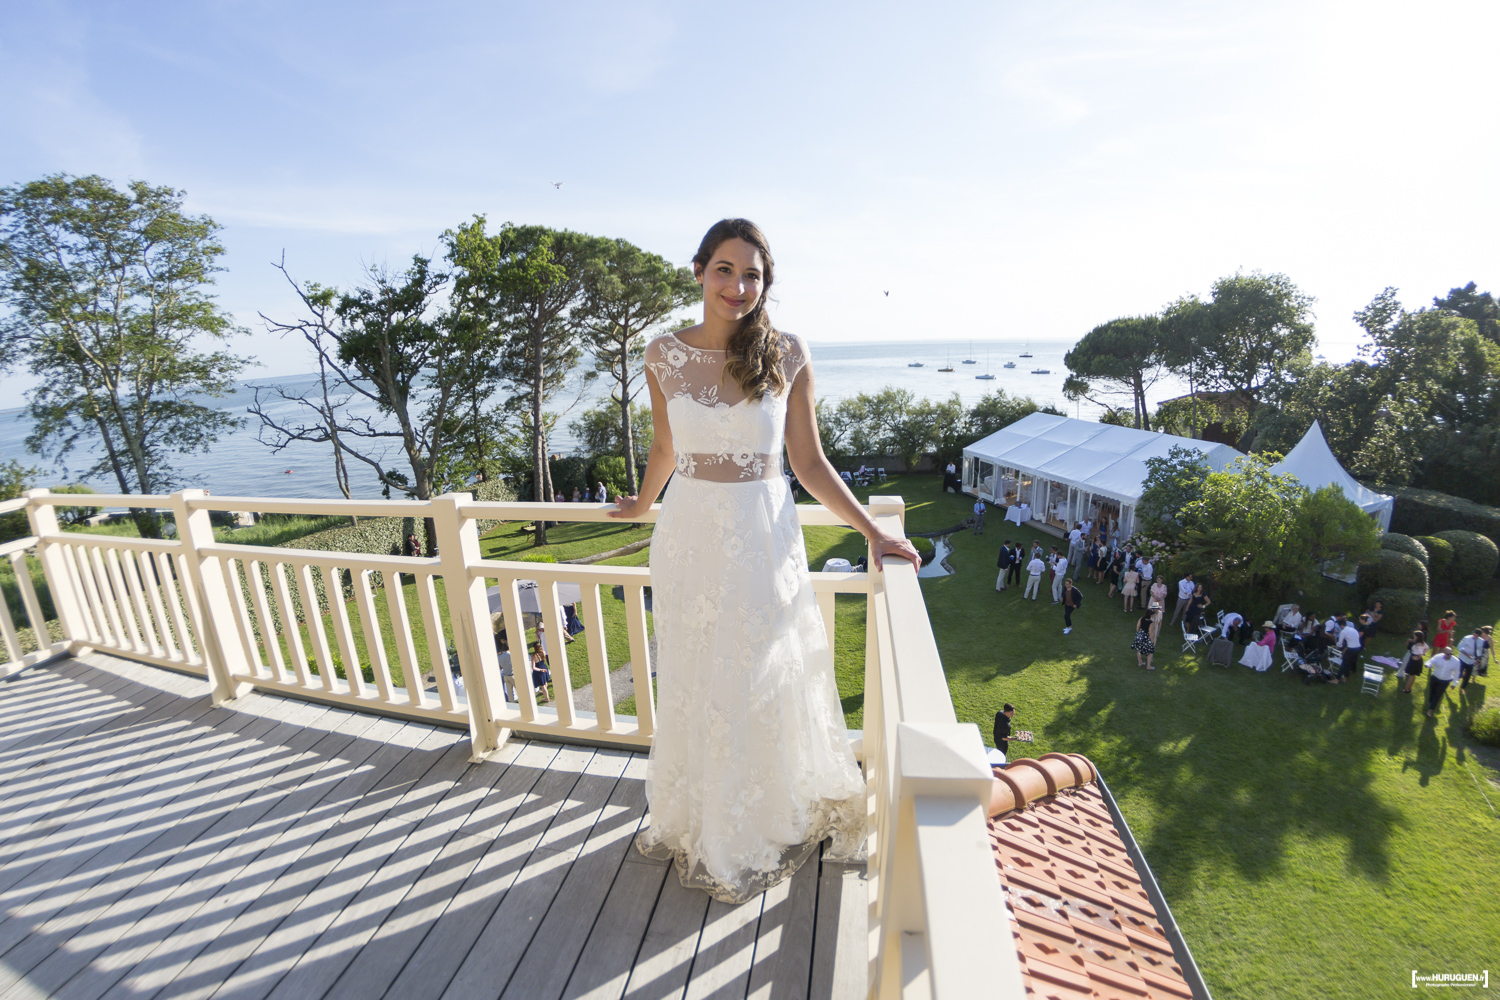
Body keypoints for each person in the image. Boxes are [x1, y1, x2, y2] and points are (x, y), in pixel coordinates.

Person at [606, 218, 918, 904]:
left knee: (763, 673)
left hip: (762, 538)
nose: (738, 286)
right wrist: (642, 503)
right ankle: (703, 817)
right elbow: (664, 447)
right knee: (697, 674)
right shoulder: (661, 355)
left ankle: (764, 814)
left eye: (752, 274)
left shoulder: (787, 353)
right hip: (689, 535)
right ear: (699, 272)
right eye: (725, 270)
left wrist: (872, 531)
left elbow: (808, 461)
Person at [1426, 647, 1462, 717]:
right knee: (1432, 692)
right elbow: (1432, 660)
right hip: (1435, 677)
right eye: (1446, 654)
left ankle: (1430, 710)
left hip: (1445, 681)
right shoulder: (1438, 656)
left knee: (1438, 694)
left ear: (1451, 654)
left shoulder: (1456, 661)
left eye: (1449, 654)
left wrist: (1454, 683)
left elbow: (1457, 673)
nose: (1447, 656)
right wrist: (1428, 664)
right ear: (1443, 653)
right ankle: (1431, 703)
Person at [1333, 614, 1364, 683]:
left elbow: (1340, 644)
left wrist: (1336, 646)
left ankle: (1337, 679)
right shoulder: (1353, 629)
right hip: (1357, 648)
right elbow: (1354, 640)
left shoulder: (1343, 631)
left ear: (1341, 625)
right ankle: (1345, 678)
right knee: (1348, 664)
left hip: (1351, 649)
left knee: (1344, 664)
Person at [1399, 630, 1427, 694]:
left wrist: (1417, 657)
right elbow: (1427, 648)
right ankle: (1409, 688)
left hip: (1415, 661)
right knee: (1413, 675)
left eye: (1414, 635)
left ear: (1417, 637)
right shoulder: (1421, 642)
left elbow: (1421, 653)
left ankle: (1406, 689)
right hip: (1415, 660)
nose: (1414, 636)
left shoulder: (1418, 644)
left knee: (1411, 676)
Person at [495, 636, 516, 702]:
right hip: (512, 675)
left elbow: (500, 667)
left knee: (510, 693)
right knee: (519, 689)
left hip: (505, 676)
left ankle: (512, 704)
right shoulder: (511, 655)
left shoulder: (499, 657)